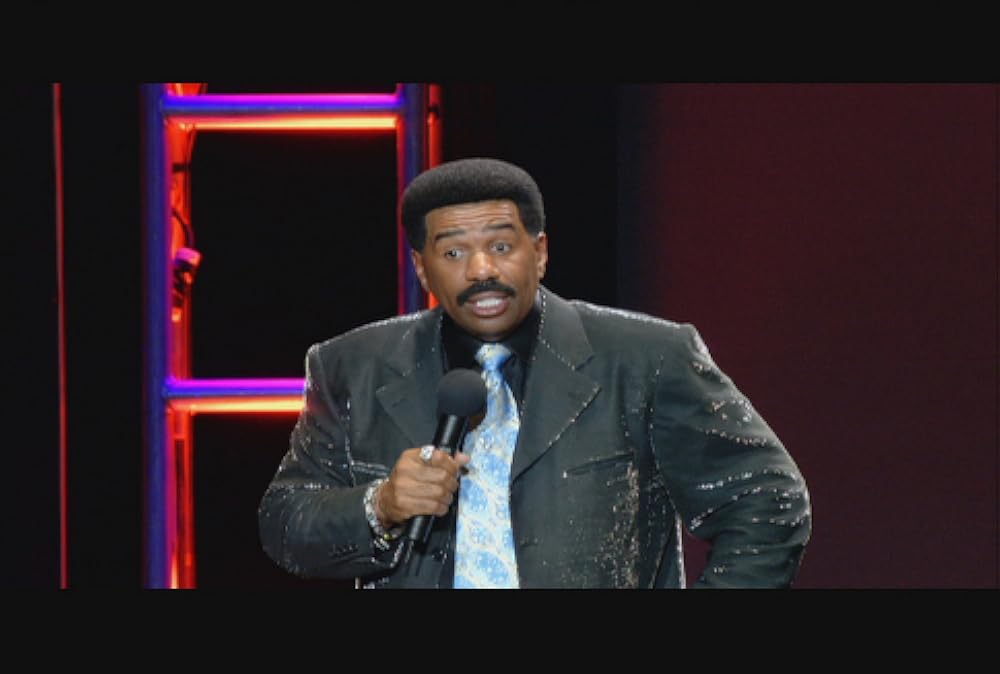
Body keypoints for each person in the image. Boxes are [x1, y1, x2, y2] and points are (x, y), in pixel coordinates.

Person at [257, 157, 811, 588]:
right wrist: (380, 505)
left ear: (540, 252)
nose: (482, 270)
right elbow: (285, 523)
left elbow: (768, 500)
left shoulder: (648, 357)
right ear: (421, 267)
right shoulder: (352, 367)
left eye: (501, 246)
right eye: (454, 254)